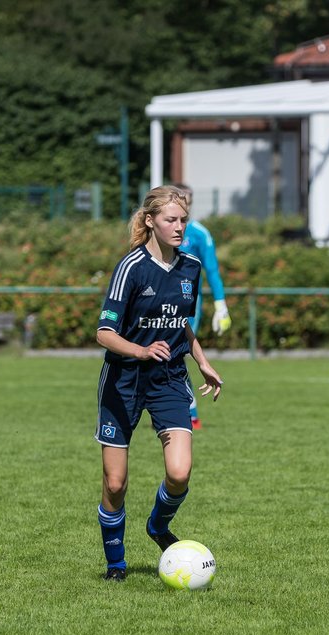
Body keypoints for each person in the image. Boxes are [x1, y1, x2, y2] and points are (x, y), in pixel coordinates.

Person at [95, 185, 224, 582]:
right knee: (115, 483)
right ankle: (116, 565)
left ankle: (156, 525)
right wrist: (139, 350)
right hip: (124, 381)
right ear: (150, 221)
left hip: (168, 378)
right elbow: (103, 332)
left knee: (180, 472)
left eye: (183, 219)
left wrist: (202, 361)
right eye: (171, 219)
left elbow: (181, 324)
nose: (179, 227)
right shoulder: (131, 267)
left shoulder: (189, 267)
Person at [176, 184, 230, 430]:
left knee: (178, 353)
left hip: (188, 304)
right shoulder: (158, 230)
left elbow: (213, 271)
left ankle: (190, 412)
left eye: (185, 201)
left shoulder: (199, 234)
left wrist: (221, 306)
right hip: (156, 301)